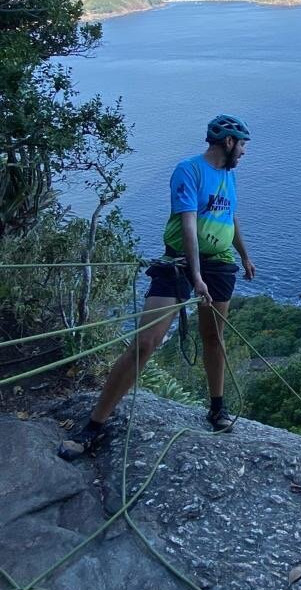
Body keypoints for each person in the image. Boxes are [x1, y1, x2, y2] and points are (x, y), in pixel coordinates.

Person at [58, 114, 256, 460]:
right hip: (180, 262)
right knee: (146, 342)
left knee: (213, 337)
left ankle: (217, 407)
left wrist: (245, 256)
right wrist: (196, 276)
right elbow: (189, 225)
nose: (243, 152)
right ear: (227, 142)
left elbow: (230, 217)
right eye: (241, 145)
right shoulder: (189, 171)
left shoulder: (229, 175)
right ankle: (93, 427)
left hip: (220, 264)